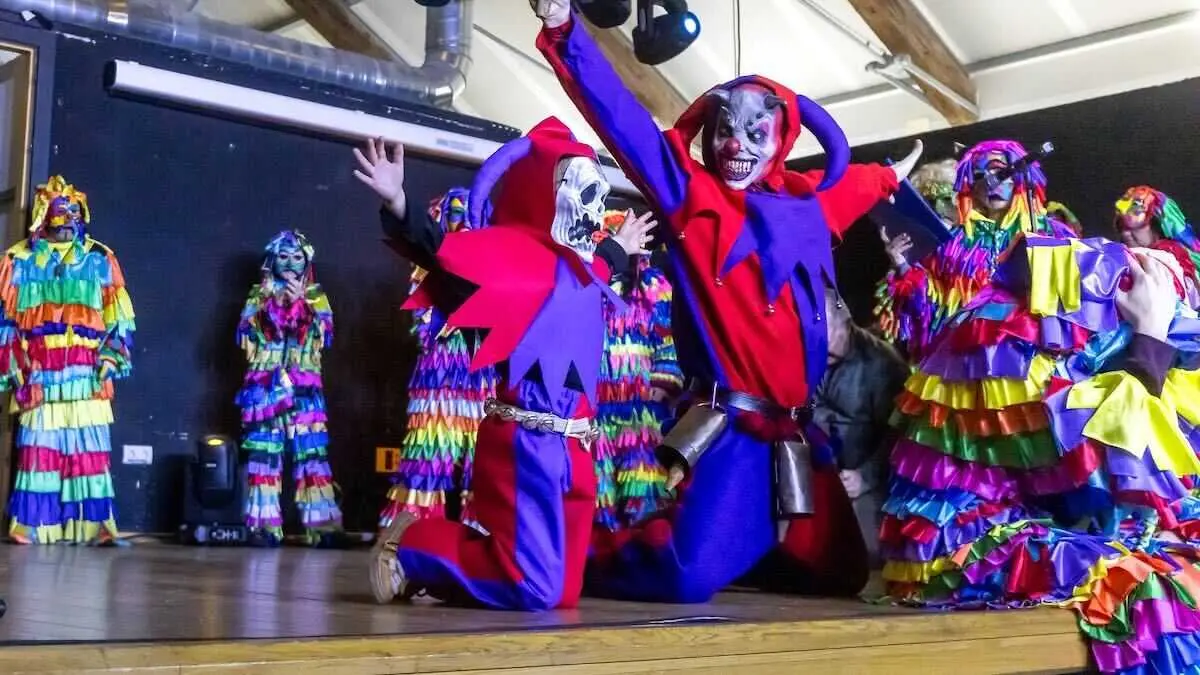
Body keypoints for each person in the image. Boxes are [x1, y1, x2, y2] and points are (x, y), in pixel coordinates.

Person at [532, 0, 922, 603]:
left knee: (841, 574)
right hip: (734, 429)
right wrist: (566, 31)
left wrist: (890, 177)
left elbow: (854, 187)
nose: (735, 144)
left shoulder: (808, 208)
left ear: (782, 138)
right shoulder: (689, 197)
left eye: (754, 131)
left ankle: (738, 548)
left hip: (796, 435)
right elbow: (622, 119)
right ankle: (555, 555)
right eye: (724, 129)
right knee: (682, 574)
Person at [358, 118, 656, 611]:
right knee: (535, 588)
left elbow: (602, 263)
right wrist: (400, 204)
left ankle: (444, 576)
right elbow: (443, 257)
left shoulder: (587, 267)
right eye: (578, 191)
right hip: (528, 444)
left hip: (578, 446)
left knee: (561, 593)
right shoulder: (509, 271)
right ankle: (413, 545)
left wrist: (618, 248)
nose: (593, 209)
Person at [881, 230, 1200, 674]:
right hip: (963, 547)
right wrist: (1149, 339)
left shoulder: (1057, 324)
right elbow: (1104, 470)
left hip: (1032, 518)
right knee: (1156, 595)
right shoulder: (1005, 336)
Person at [2, 176, 135, 545]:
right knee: (38, 448)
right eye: (59, 211)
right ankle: (30, 523)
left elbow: (118, 316)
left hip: (86, 372)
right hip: (40, 373)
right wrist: (13, 365)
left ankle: (95, 525)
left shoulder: (99, 258)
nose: (67, 218)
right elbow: (7, 321)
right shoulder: (18, 260)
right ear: (44, 216)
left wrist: (111, 356)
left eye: (73, 211)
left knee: (89, 447)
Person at [875, 140, 1071, 361]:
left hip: (1029, 354)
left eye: (1001, 173)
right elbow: (933, 309)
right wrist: (902, 264)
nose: (991, 183)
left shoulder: (1050, 232)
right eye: (979, 176)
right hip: (972, 359)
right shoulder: (954, 243)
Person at [378, 188, 497, 534]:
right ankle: (413, 534)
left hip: (483, 377)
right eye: (457, 214)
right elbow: (424, 324)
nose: (464, 223)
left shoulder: (495, 268)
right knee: (430, 451)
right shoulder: (426, 268)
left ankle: (482, 532)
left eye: (471, 216)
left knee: (484, 458)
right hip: (440, 375)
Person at [235, 230, 342, 546]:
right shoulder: (258, 295)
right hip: (265, 388)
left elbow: (325, 335)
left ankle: (321, 528)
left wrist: (301, 306)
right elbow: (247, 336)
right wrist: (272, 305)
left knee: (312, 457)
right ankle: (264, 527)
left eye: (297, 257)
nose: (290, 263)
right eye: (283, 256)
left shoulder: (316, 295)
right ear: (272, 260)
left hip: (304, 388)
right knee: (264, 458)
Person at [593, 209, 683, 531]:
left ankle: (640, 551)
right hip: (595, 411)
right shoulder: (592, 287)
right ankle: (598, 552)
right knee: (597, 488)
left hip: (642, 410)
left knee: (643, 485)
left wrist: (664, 377)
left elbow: (669, 339)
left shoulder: (655, 287)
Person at [812, 287, 908, 565]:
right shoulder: (805, 356)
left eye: (819, 321)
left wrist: (864, 477)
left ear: (843, 321)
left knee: (857, 556)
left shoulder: (883, 365)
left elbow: (897, 435)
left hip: (863, 483)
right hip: (815, 477)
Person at [1113, 185, 1200, 307]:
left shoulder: (1171, 252)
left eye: (1136, 228)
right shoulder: (1124, 255)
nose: (1126, 234)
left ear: (1155, 224)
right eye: (1122, 227)